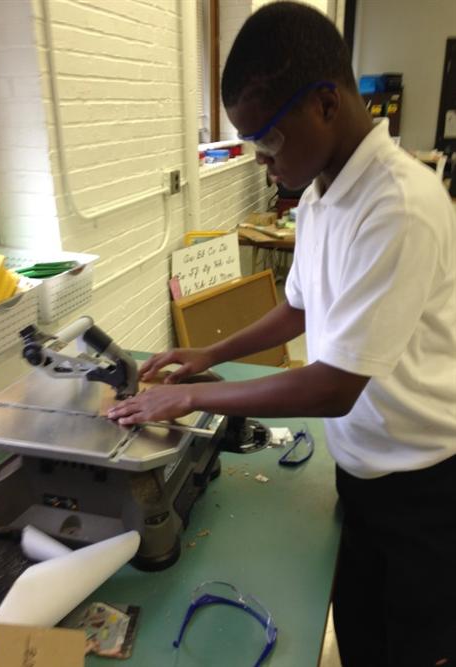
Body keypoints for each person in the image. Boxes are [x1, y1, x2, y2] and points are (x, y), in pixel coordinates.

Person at [108, 3, 456, 665]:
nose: (265, 165)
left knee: (417, 646)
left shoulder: (399, 206)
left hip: (424, 488)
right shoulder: (324, 192)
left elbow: (333, 387)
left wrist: (193, 398)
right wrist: (208, 352)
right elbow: (298, 307)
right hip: (359, 470)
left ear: (325, 104)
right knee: (362, 636)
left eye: (268, 144)